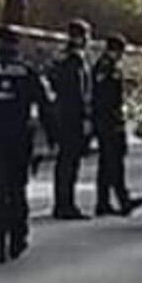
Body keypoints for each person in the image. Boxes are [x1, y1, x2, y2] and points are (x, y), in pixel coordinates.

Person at [0, 27, 53, 264]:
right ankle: (18, 235)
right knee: (16, 189)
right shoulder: (28, 72)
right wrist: (50, 139)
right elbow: (45, 105)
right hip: (18, 140)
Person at [92, 34, 142, 218]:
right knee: (115, 162)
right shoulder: (107, 67)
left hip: (105, 120)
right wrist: (116, 119)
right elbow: (106, 97)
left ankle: (103, 202)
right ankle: (123, 200)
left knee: (107, 163)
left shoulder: (105, 66)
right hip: (109, 121)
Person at [49, 19, 93, 220]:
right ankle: (64, 204)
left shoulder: (65, 58)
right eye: (85, 35)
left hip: (63, 115)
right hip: (71, 117)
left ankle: (64, 201)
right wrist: (85, 117)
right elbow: (78, 93)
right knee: (69, 162)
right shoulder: (73, 61)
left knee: (66, 162)